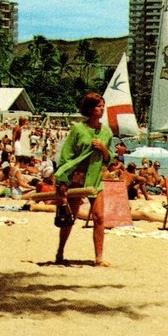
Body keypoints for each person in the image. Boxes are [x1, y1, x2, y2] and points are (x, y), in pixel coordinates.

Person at [53, 92, 113, 266]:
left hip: (95, 178)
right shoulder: (78, 129)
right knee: (69, 217)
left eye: (102, 105)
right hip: (77, 177)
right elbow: (66, 155)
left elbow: (109, 158)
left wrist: (103, 148)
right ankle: (60, 251)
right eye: (98, 106)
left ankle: (99, 257)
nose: (101, 109)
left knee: (99, 217)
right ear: (89, 108)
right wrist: (63, 181)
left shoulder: (106, 132)